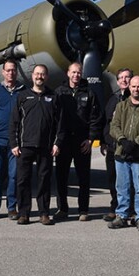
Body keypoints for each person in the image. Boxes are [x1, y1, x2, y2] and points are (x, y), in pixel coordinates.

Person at [9, 64, 64, 226]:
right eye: (37, 74)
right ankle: (24, 213)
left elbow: (60, 124)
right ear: (32, 75)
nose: (39, 77)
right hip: (25, 146)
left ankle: (44, 213)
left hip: (46, 146)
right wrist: (14, 143)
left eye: (43, 74)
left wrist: (57, 143)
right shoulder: (23, 96)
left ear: (46, 77)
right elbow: (14, 122)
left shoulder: (53, 97)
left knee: (44, 180)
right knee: (23, 180)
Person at [54, 62, 104, 222]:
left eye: (79, 73)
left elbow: (95, 117)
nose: (76, 75)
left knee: (84, 177)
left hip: (82, 141)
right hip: (64, 141)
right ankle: (62, 208)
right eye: (73, 72)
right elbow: (54, 118)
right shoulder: (59, 93)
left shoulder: (89, 93)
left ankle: (83, 209)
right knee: (61, 177)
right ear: (68, 73)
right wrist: (56, 141)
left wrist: (90, 140)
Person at [108, 75, 139, 232]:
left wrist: (136, 141)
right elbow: (114, 126)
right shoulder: (121, 106)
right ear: (129, 87)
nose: (136, 89)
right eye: (134, 86)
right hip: (122, 153)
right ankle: (121, 215)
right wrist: (123, 140)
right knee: (122, 186)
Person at [0, 58, 25, 221]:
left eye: (13, 70)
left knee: (14, 175)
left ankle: (11, 208)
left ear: (17, 72)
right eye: (8, 70)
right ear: (3, 72)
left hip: (15, 140)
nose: (10, 73)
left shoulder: (24, 91)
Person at [101, 68, 133, 222]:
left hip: (128, 147)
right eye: (121, 78)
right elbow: (106, 122)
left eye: (127, 77)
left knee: (130, 180)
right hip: (113, 147)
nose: (124, 80)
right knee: (113, 179)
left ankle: (131, 209)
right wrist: (104, 141)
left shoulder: (135, 99)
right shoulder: (113, 99)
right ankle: (115, 207)